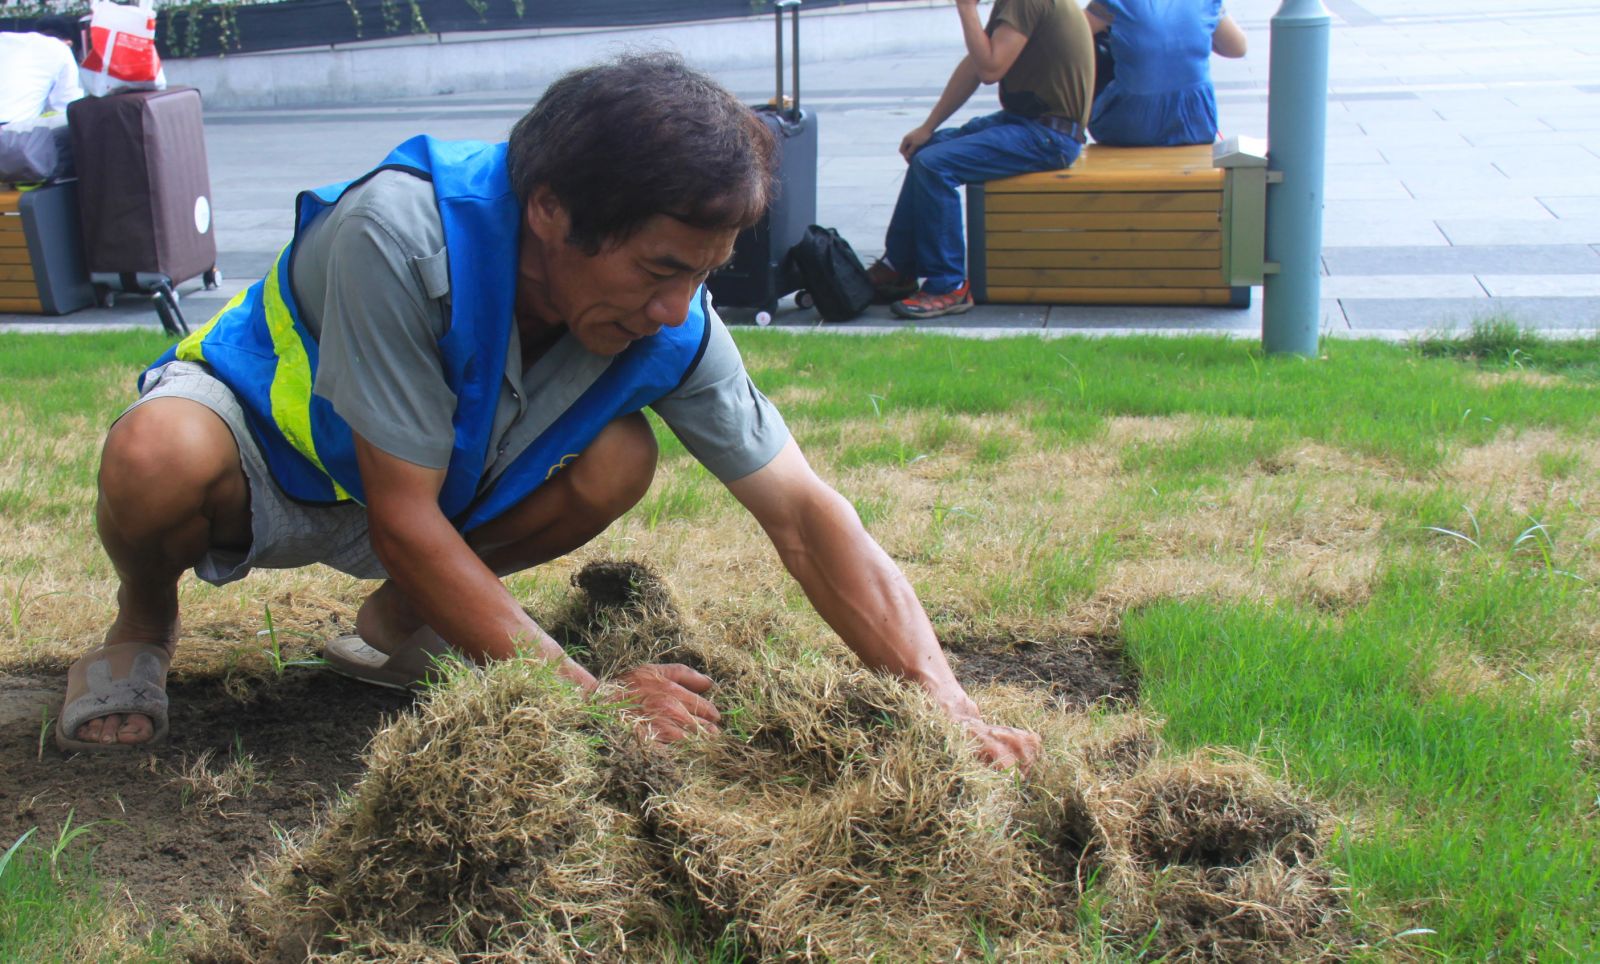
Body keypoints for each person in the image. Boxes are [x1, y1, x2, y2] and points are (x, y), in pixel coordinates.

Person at [55, 52, 1041, 773]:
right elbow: (403, 517)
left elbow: (806, 514)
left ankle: (400, 622)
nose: (675, 309)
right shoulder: (399, 235)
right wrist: (594, 703)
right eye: (660, 269)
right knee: (154, 454)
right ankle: (143, 620)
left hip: (431, 491)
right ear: (552, 212)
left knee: (619, 456)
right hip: (274, 462)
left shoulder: (672, 322)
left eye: (698, 277)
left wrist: (942, 700)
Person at [867, 0, 1094, 320]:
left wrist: (966, 9)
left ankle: (949, 285)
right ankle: (899, 267)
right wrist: (928, 127)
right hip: (1029, 123)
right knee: (926, 150)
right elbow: (974, 64)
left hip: (1050, 138)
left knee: (935, 164)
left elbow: (990, 69)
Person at [1084, 0, 1248, 147]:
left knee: (1095, 40)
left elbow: (1071, 34)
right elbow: (1237, 48)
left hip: (1127, 128)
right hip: (1196, 123)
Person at [0, 16, 84, 127]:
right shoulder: (60, 49)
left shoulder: (8, 40)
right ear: (68, 43)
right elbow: (68, 110)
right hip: (12, 133)